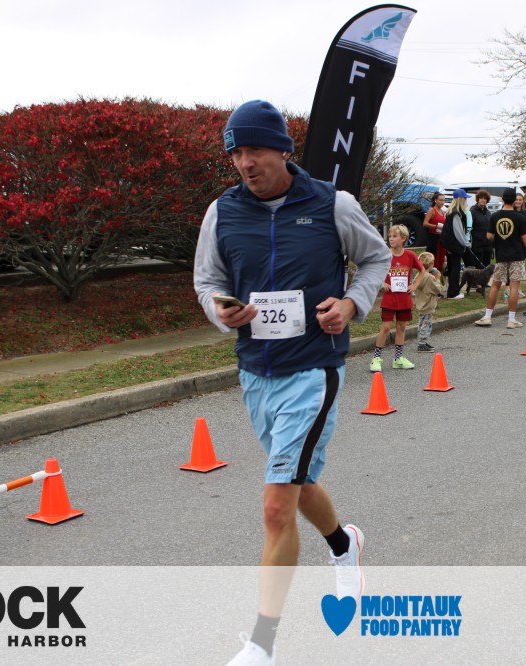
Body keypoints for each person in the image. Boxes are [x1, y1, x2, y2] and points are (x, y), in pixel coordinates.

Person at [193, 99, 391, 666]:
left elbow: (375, 259)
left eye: (256, 149)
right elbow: (207, 281)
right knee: (299, 484)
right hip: (256, 371)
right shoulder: (222, 213)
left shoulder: (333, 204)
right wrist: (220, 309)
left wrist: (350, 304)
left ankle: (263, 642)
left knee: (277, 505)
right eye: (236, 153)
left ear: (283, 150)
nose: (245, 163)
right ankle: (344, 544)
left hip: (313, 369)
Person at [474, 188, 526, 329]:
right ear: (515, 200)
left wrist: (499, 239)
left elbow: (489, 236)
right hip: (517, 255)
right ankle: (511, 319)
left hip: (501, 255)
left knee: (495, 285)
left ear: (502, 199)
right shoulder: (520, 218)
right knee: (514, 287)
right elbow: (525, 238)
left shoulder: (495, 216)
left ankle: (487, 316)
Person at [371, 224, 425, 371]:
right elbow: (374, 271)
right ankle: (376, 359)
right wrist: (381, 283)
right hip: (389, 298)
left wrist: (415, 285)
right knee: (386, 327)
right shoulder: (385, 255)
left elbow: (422, 270)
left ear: (403, 238)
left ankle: (398, 359)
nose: (391, 239)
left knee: (401, 327)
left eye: (394, 236)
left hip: (404, 298)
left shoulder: (410, 255)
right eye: (390, 236)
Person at [439, 188, 484, 299]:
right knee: (455, 268)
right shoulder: (456, 213)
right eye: (464, 198)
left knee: (453, 267)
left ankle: (453, 291)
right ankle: (453, 293)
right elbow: (458, 232)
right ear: (461, 199)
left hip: (451, 245)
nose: (466, 201)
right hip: (454, 246)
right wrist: (466, 243)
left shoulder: (453, 212)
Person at [414, 251, 445, 352]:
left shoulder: (419, 275)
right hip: (428, 305)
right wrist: (438, 278)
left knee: (422, 323)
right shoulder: (430, 278)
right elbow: (438, 289)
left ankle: (422, 341)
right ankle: (421, 344)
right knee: (426, 325)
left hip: (421, 303)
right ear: (431, 264)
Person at [422, 192, 446, 271]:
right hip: (433, 238)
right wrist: (436, 226)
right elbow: (425, 223)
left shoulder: (443, 212)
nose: (442, 202)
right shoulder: (432, 210)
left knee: (441, 258)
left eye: (444, 200)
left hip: (441, 237)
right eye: (440, 200)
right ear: (435, 200)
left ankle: (439, 274)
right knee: (433, 259)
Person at [470, 189, 493, 268]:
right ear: (478, 199)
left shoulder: (488, 212)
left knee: (487, 268)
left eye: (485, 198)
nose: (483, 200)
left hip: (488, 245)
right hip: (477, 245)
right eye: (481, 198)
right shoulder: (472, 211)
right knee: (478, 268)